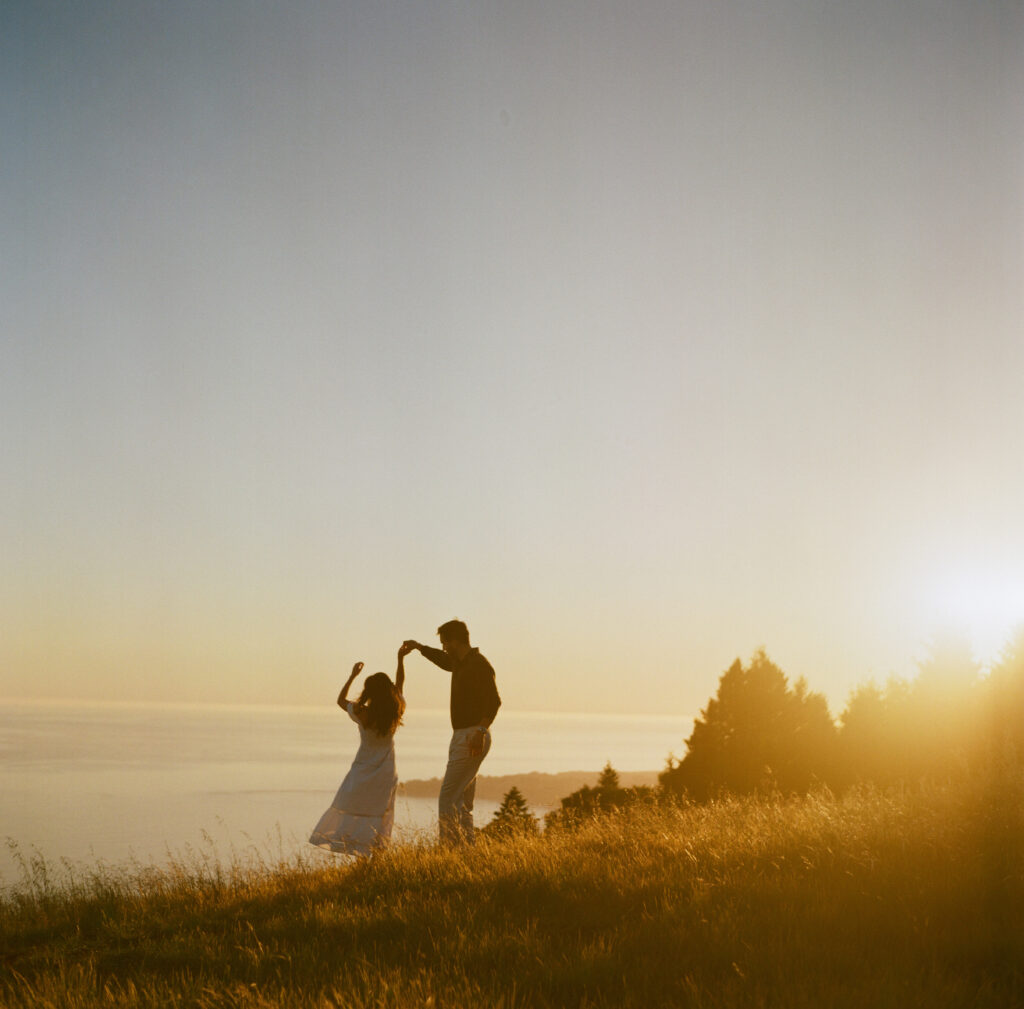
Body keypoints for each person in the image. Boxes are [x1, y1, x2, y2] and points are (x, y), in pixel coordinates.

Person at [403, 619, 501, 845]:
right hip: (463, 735)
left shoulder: (479, 664)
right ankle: (467, 849)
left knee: (447, 797)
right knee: (462, 802)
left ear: (455, 641)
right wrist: (419, 647)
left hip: (472, 736)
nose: (444, 647)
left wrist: (480, 731)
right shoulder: (459, 663)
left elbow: (494, 702)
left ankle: (449, 849)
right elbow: (443, 660)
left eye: (445, 643)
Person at [309, 646, 409, 856]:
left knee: (355, 810)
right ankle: (377, 857)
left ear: (369, 692)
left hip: (362, 770)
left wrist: (352, 676)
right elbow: (400, 684)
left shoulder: (362, 712)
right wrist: (400, 659)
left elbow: (340, 701)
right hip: (386, 771)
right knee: (381, 813)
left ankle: (361, 855)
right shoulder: (396, 711)